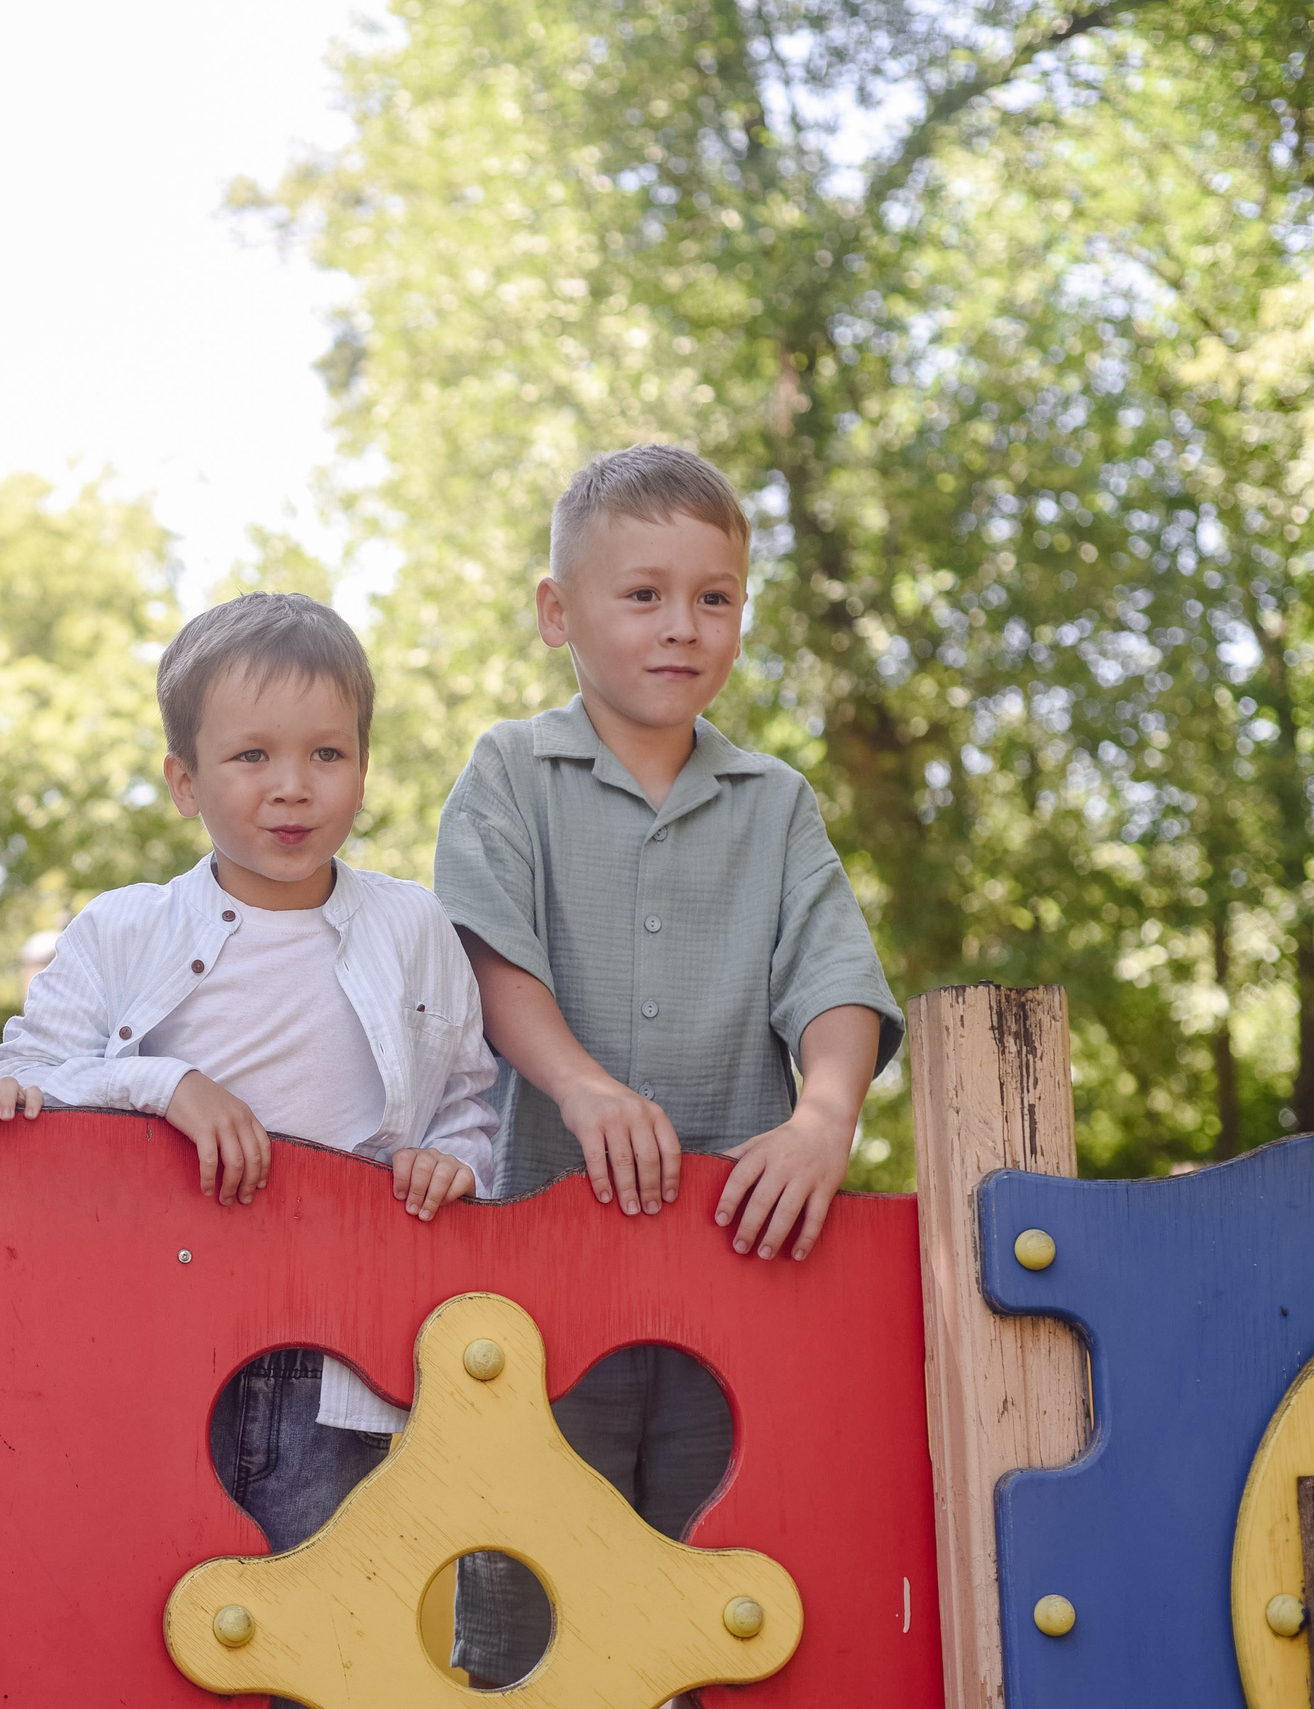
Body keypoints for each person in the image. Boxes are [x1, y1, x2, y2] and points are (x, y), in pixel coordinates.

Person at [432, 443, 903, 1689]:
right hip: (540, 1280)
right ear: (557, 612)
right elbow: (487, 958)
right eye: (642, 594)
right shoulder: (507, 773)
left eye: (714, 596)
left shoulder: (775, 801)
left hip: (737, 1276)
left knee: (724, 1594)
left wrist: (822, 1116)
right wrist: (580, 1083)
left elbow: (836, 980)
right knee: (531, 1603)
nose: (681, 625)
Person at [0, 591, 499, 1559]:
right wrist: (161, 1082)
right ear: (185, 780)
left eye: (326, 753)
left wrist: (452, 1159)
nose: (292, 787)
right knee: (142, 1591)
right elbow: (19, 1083)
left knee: (319, 1608)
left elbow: (467, 1100)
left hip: (338, 1355)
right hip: (156, 1338)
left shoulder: (413, 927)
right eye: (252, 755)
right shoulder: (122, 929)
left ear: (363, 768)